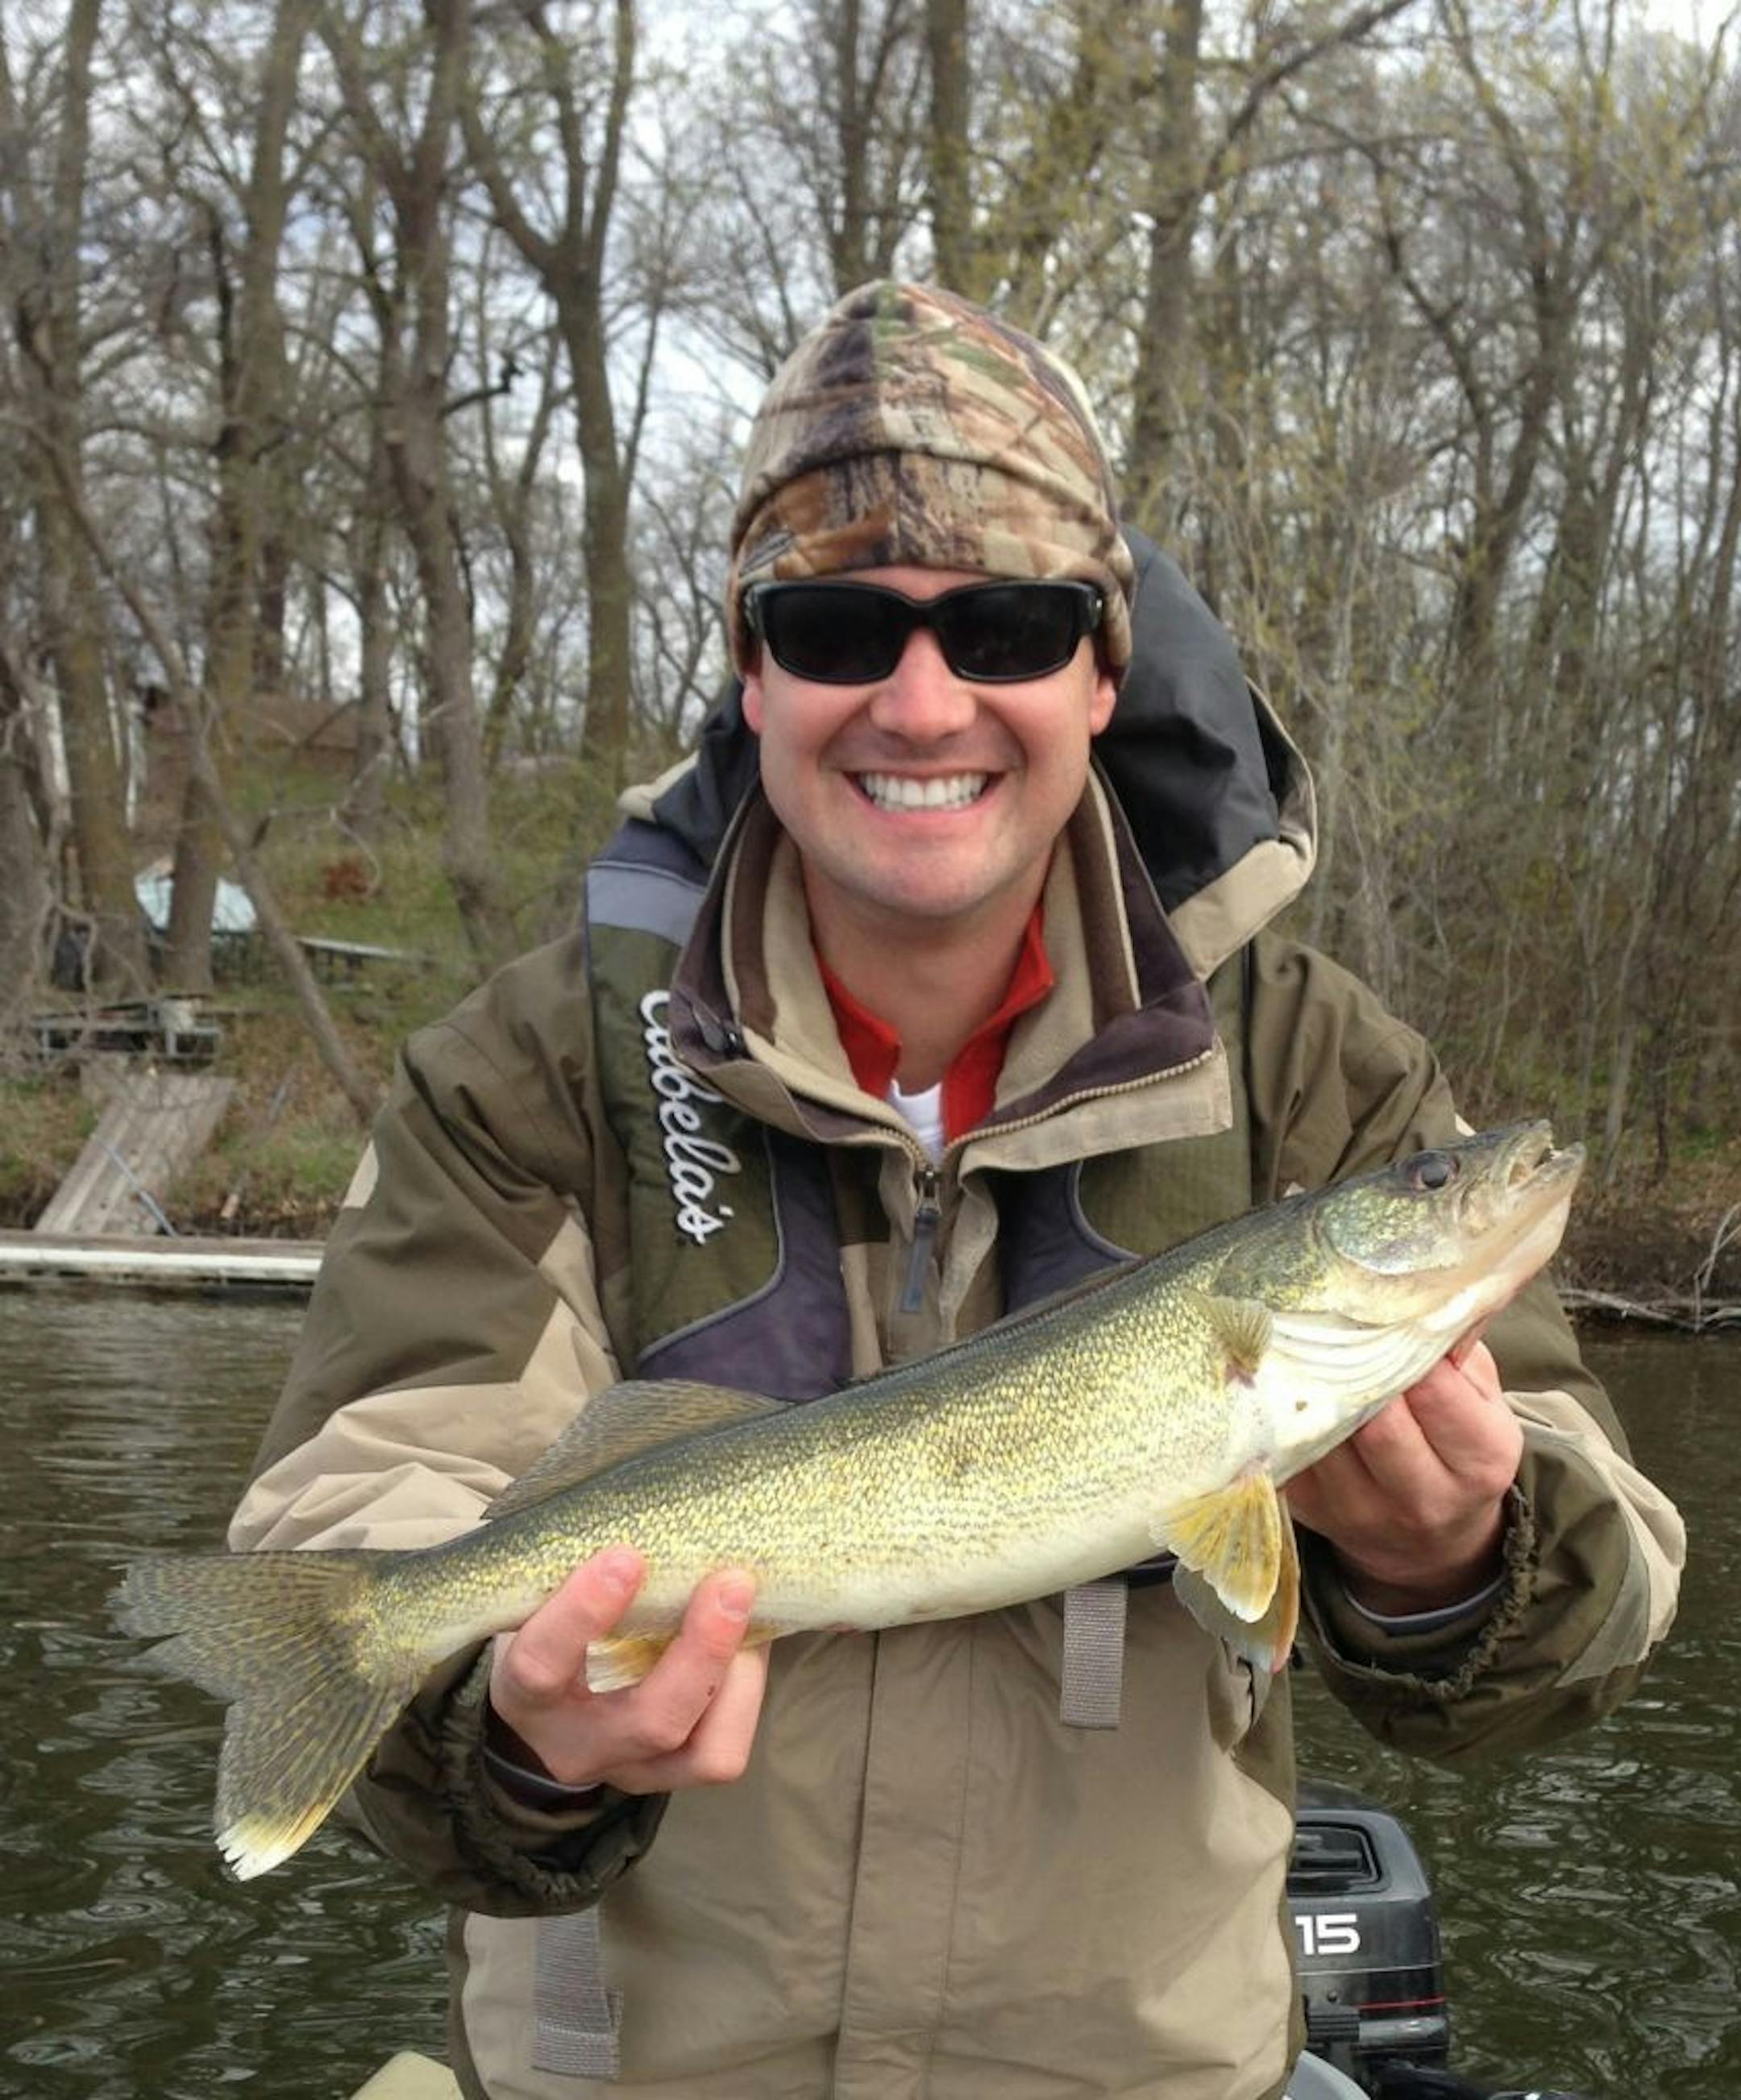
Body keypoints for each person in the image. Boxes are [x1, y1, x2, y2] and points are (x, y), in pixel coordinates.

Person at [231, 282, 1683, 2100]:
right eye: (843, 625)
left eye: (1004, 624)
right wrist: (511, 1735)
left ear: (1099, 666)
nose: (924, 700)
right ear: (755, 669)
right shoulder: (531, 1069)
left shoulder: (1310, 1065)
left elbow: (1601, 1590)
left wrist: (1455, 1565)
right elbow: (360, 1503)